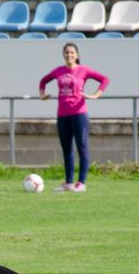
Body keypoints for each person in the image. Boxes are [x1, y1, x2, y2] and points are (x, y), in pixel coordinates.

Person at [38, 43, 110, 193]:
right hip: (62, 115)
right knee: (66, 149)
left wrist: (96, 95)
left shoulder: (84, 70)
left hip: (79, 114)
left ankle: (81, 183)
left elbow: (104, 80)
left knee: (82, 147)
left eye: (72, 53)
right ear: (63, 55)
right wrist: (42, 94)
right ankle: (69, 182)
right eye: (66, 52)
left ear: (77, 55)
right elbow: (43, 80)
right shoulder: (58, 71)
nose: (69, 55)